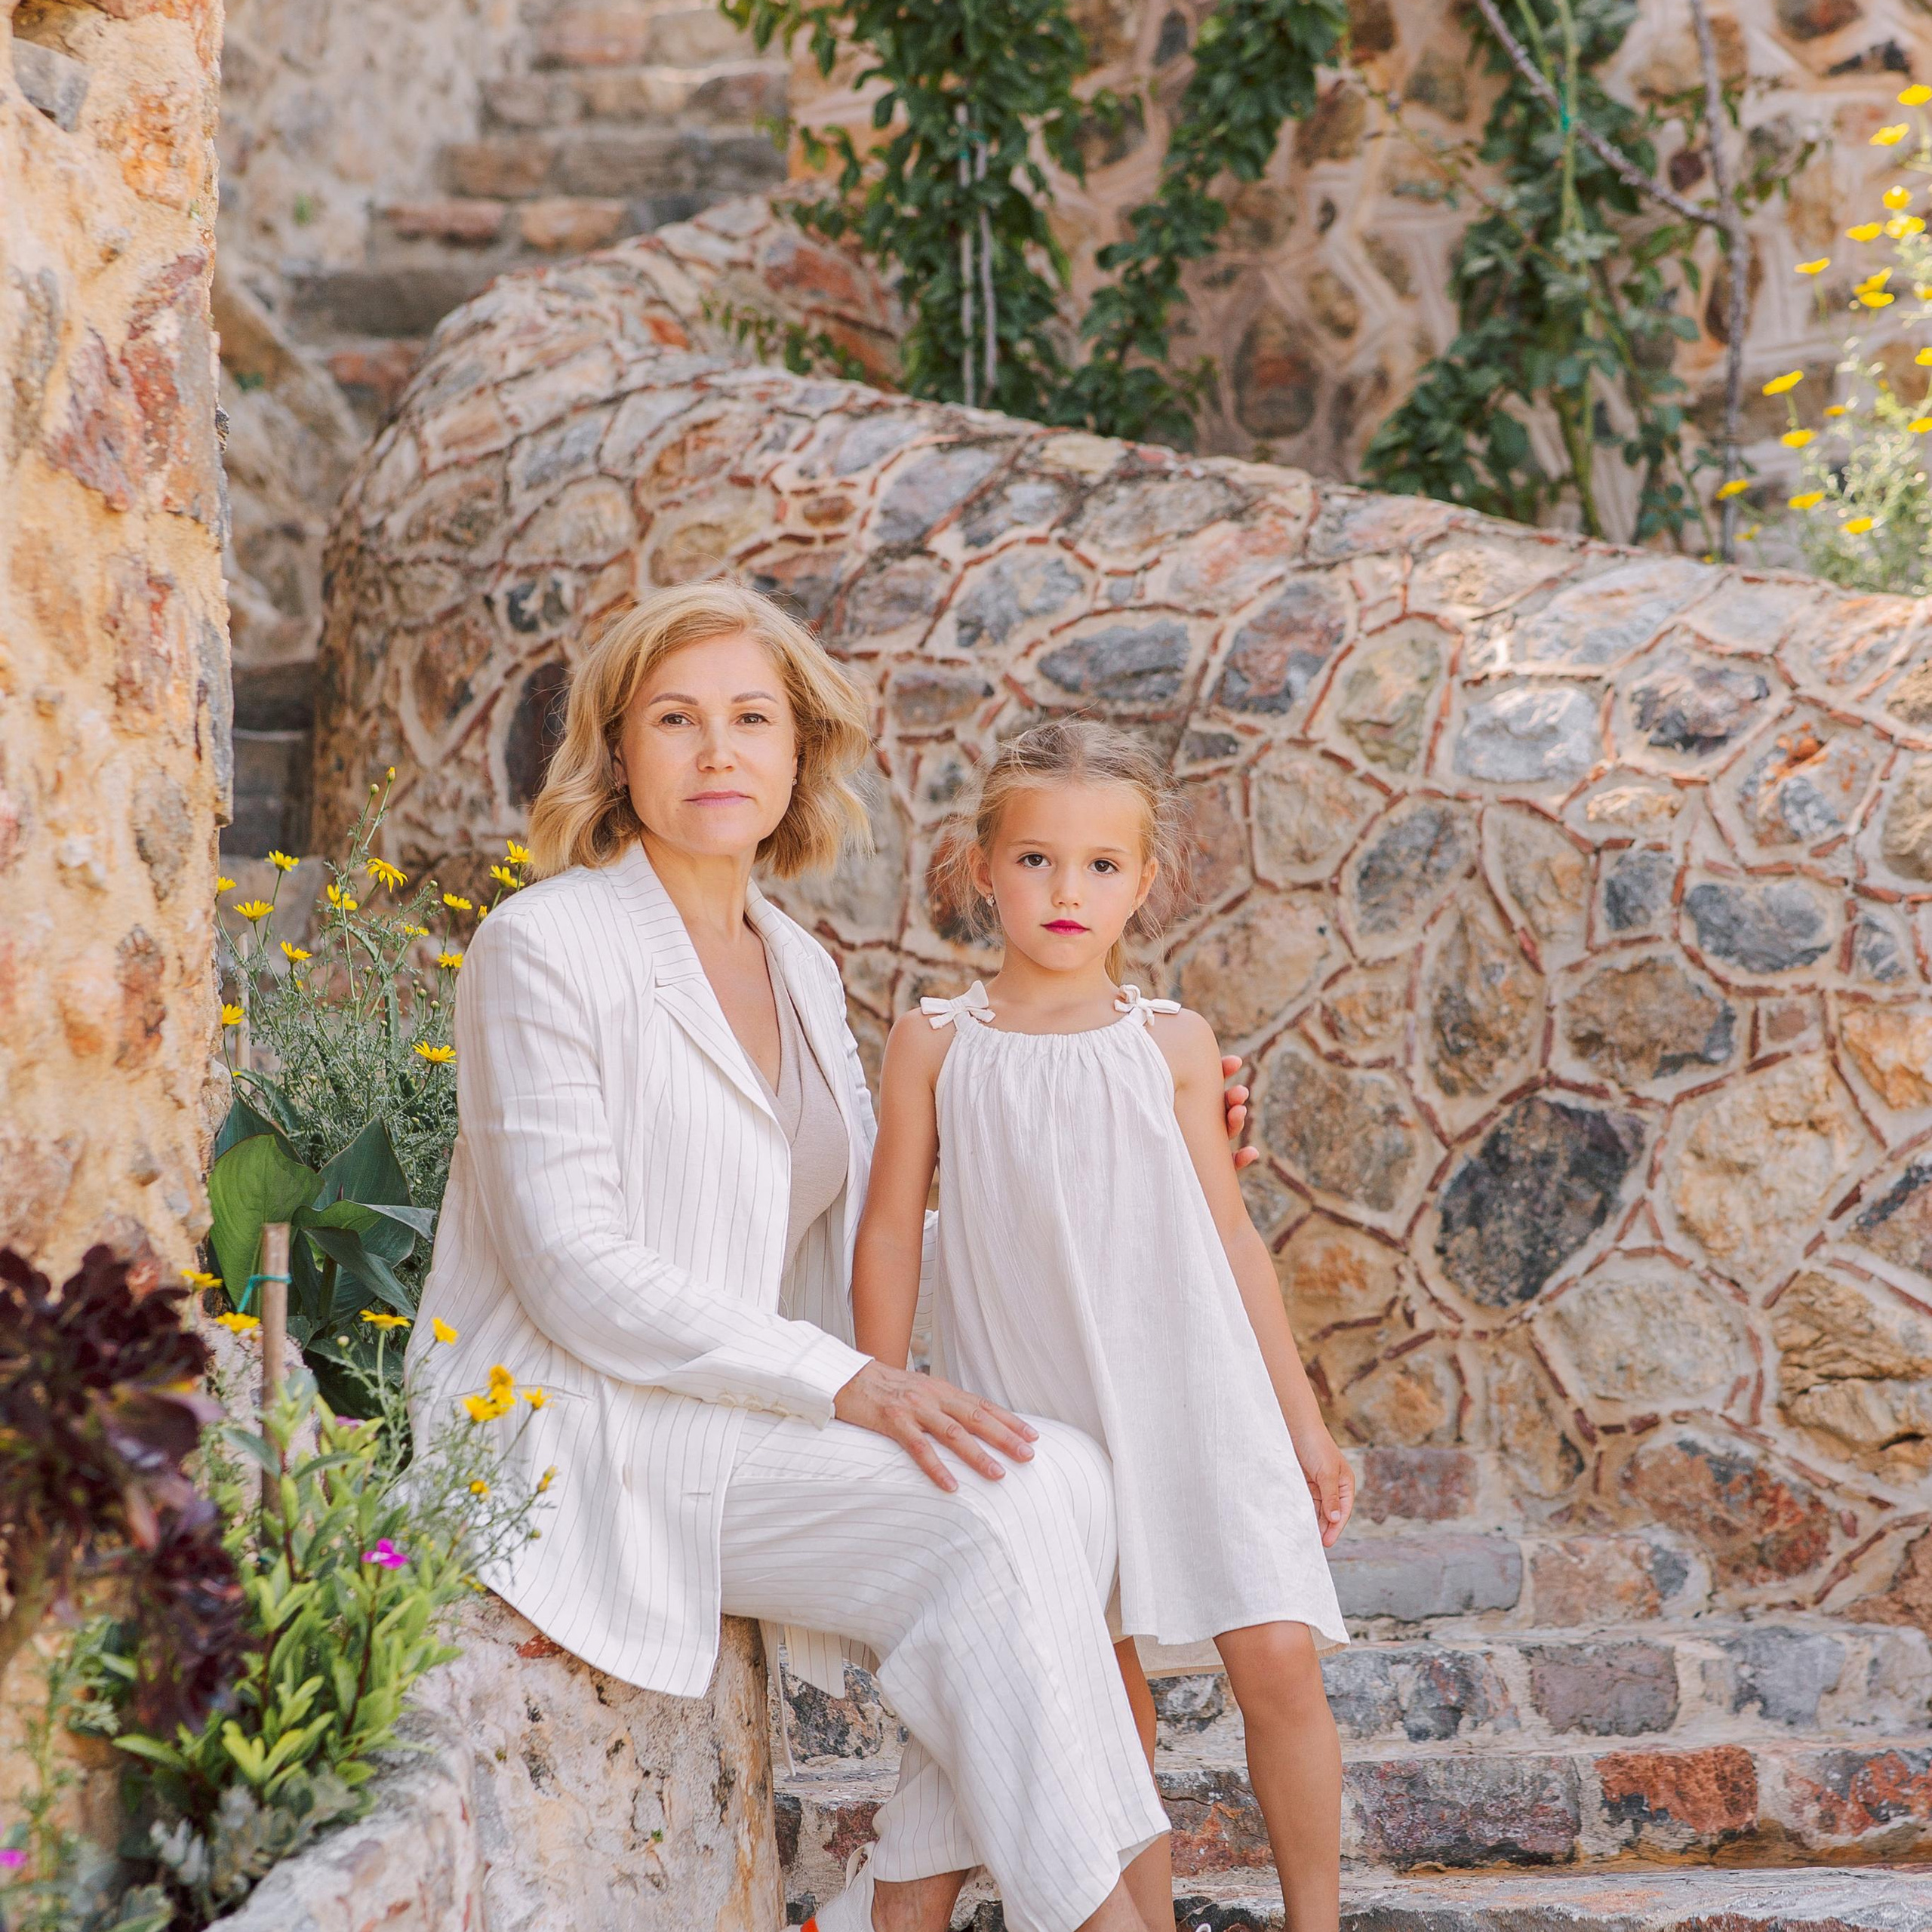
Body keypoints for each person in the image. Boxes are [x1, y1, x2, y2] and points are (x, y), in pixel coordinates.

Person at [405, 583, 1253, 1932]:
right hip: (590, 1425)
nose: (718, 750)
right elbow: (573, 1266)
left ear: (799, 754)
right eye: (676, 720)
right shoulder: (544, 945)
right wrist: (847, 1383)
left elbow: (875, 1215)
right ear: (619, 753)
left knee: (1064, 1480)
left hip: (747, 1420)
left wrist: (1131, 1147)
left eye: (752, 719)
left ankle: (892, 1914)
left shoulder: (794, 964)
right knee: (992, 1524)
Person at [851, 719, 1355, 1932]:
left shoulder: (1171, 1041)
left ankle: (1319, 1923)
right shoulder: (937, 1043)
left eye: (1100, 866)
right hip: (1035, 1406)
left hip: (1198, 1393)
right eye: (1033, 861)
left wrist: (1306, 1422)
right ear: (982, 870)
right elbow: (883, 1228)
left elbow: (1232, 1240)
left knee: (1278, 1657)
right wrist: (878, 1393)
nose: (1065, 891)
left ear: (1146, 881)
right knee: (1103, 1693)